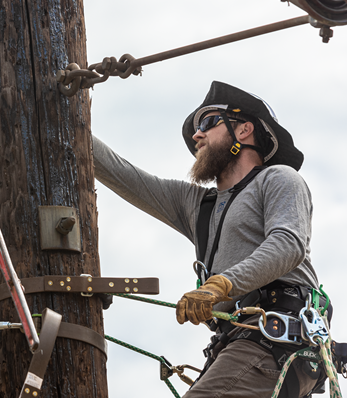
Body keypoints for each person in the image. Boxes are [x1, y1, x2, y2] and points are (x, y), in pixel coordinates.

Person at [93, 81, 329, 398]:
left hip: (274, 340)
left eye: (207, 123)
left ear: (244, 130)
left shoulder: (280, 179)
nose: (197, 136)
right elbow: (122, 173)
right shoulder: (198, 205)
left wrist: (219, 286)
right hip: (239, 345)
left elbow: (289, 244)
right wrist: (69, 122)